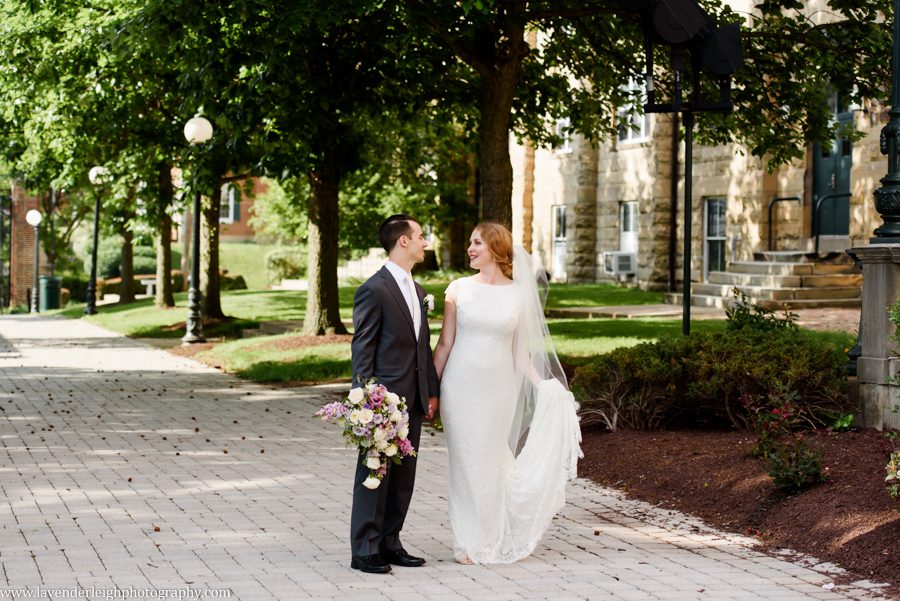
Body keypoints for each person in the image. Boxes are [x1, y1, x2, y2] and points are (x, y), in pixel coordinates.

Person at [433, 221, 582, 565]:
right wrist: (428, 387)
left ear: (496, 250)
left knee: (491, 459)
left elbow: (520, 353)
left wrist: (543, 384)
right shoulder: (458, 289)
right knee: (466, 462)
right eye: (470, 243)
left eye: (477, 243)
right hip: (459, 385)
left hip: (499, 389)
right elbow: (445, 343)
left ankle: (491, 532)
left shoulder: (518, 294)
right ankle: (467, 541)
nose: (469, 249)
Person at [349, 214, 440, 574]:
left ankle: (390, 542)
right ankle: (364, 549)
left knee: (404, 476)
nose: (425, 242)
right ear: (403, 241)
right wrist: (366, 399)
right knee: (374, 473)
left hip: (414, 398)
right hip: (383, 400)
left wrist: (430, 391)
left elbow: (423, 347)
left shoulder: (417, 291)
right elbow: (363, 347)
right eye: (420, 236)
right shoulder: (374, 289)